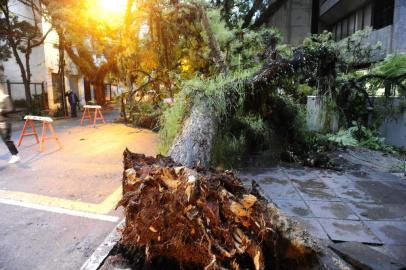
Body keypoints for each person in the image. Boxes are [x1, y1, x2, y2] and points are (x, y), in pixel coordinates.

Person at [0, 86, 20, 164]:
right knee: (5, 140)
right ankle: (15, 155)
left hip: (4, 122)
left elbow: (11, 109)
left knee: (6, 140)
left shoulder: (6, 98)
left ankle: (15, 156)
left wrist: (1, 110)